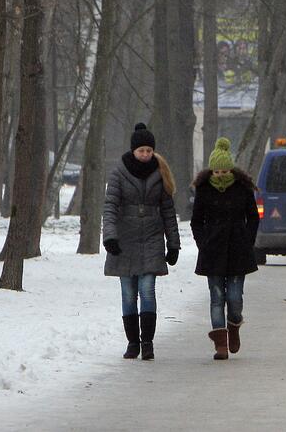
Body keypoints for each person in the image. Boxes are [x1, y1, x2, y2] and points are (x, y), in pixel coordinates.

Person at [103, 123, 181, 361]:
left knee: (147, 290)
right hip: (125, 239)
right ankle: (132, 343)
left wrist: (174, 243)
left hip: (152, 238)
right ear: (133, 151)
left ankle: (147, 343)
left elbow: (168, 211)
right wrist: (110, 236)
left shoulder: (161, 172)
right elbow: (110, 207)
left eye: (149, 150)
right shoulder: (119, 173)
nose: (145, 154)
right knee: (128, 294)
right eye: (141, 150)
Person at [190, 137, 259, 360]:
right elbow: (196, 221)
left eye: (223, 171)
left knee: (235, 299)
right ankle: (221, 345)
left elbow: (253, 218)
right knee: (217, 297)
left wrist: (247, 241)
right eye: (216, 172)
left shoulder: (243, 188)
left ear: (230, 169)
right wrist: (203, 243)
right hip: (213, 251)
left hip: (238, 250)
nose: (219, 175)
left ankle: (234, 324)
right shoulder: (203, 189)